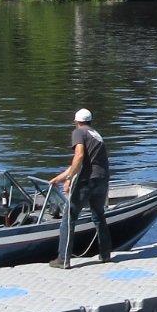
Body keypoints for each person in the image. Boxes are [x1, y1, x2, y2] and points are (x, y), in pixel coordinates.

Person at [52, 107, 113, 268]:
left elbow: (79, 156)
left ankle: (63, 259)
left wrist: (69, 177)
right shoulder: (96, 134)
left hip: (88, 180)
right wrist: (62, 177)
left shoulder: (79, 132)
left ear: (76, 122)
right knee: (99, 216)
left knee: (68, 218)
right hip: (102, 179)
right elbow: (84, 162)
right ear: (90, 121)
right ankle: (105, 255)